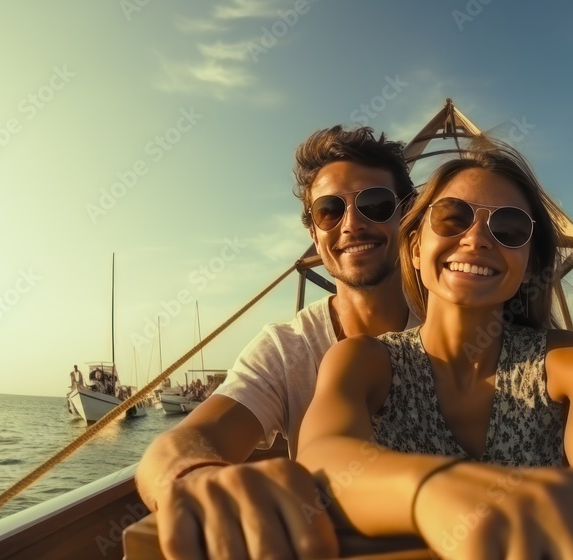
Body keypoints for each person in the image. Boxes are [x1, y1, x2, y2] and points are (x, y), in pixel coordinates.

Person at [297, 142, 573, 559]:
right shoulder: (364, 362)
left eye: (509, 229)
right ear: (416, 248)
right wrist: (433, 491)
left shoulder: (567, 362)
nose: (476, 238)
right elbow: (323, 459)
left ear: (527, 264)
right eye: (452, 217)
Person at [136, 125, 417, 559]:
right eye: (329, 211)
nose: (352, 224)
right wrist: (198, 476)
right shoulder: (290, 350)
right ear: (312, 230)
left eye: (375, 205)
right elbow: (181, 444)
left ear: (407, 214)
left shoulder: (457, 326)